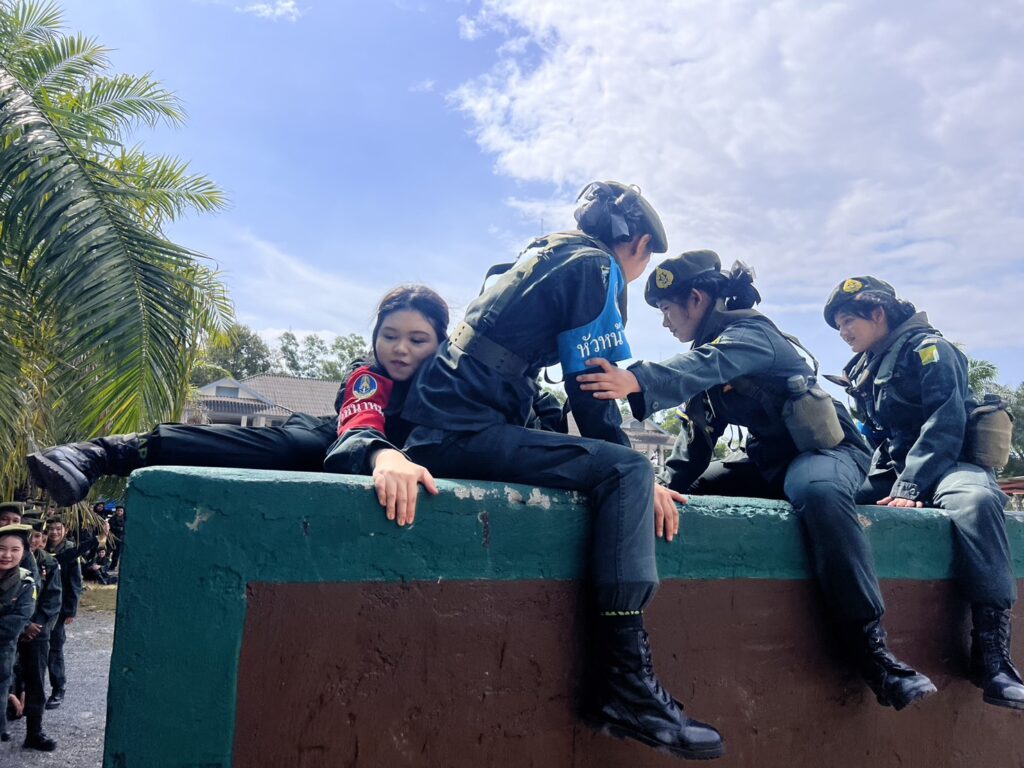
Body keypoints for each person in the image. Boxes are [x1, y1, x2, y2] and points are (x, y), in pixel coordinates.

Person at [400, 182, 724, 760]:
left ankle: (624, 685)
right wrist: (637, 476)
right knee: (626, 472)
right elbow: (592, 390)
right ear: (638, 244)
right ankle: (626, 685)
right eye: (645, 259)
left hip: (442, 422)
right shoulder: (597, 268)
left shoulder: (543, 252)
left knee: (620, 466)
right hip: (460, 431)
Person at [578, 250, 936, 711]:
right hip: (769, 464)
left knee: (819, 492)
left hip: (825, 454)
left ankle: (872, 649)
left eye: (667, 309)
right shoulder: (712, 354)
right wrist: (662, 486)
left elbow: (706, 365)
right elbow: (696, 441)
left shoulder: (750, 335)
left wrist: (634, 379)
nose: (664, 321)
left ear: (696, 299)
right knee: (689, 493)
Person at [823, 276, 1024, 709]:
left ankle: (993, 659)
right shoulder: (866, 366)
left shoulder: (931, 350)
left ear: (878, 313)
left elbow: (944, 422)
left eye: (848, 321)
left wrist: (912, 485)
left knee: (978, 502)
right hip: (895, 468)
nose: (843, 333)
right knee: (831, 499)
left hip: (950, 463)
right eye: (839, 326)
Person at [15, 521, 61, 751]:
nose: (35, 540)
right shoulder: (8, 559)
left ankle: (34, 732)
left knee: (35, 681)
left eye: (37, 536)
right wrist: (22, 625)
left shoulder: (48, 562)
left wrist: (37, 626)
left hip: (37, 632)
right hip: (9, 629)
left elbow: (52, 598)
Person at [0, 524, 35, 744]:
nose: (7, 555)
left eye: (14, 550)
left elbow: (18, 620)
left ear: (24, 553)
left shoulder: (25, 583)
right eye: (1, 548)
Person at [44, 516, 82, 711]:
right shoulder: (40, 546)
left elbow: (75, 583)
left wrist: (71, 610)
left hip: (59, 608)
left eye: (58, 529)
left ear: (65, 530)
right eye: (51, 529)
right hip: (40, 606)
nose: (55, 532)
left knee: (55, 647)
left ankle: (58, 688)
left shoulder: (70, 551)